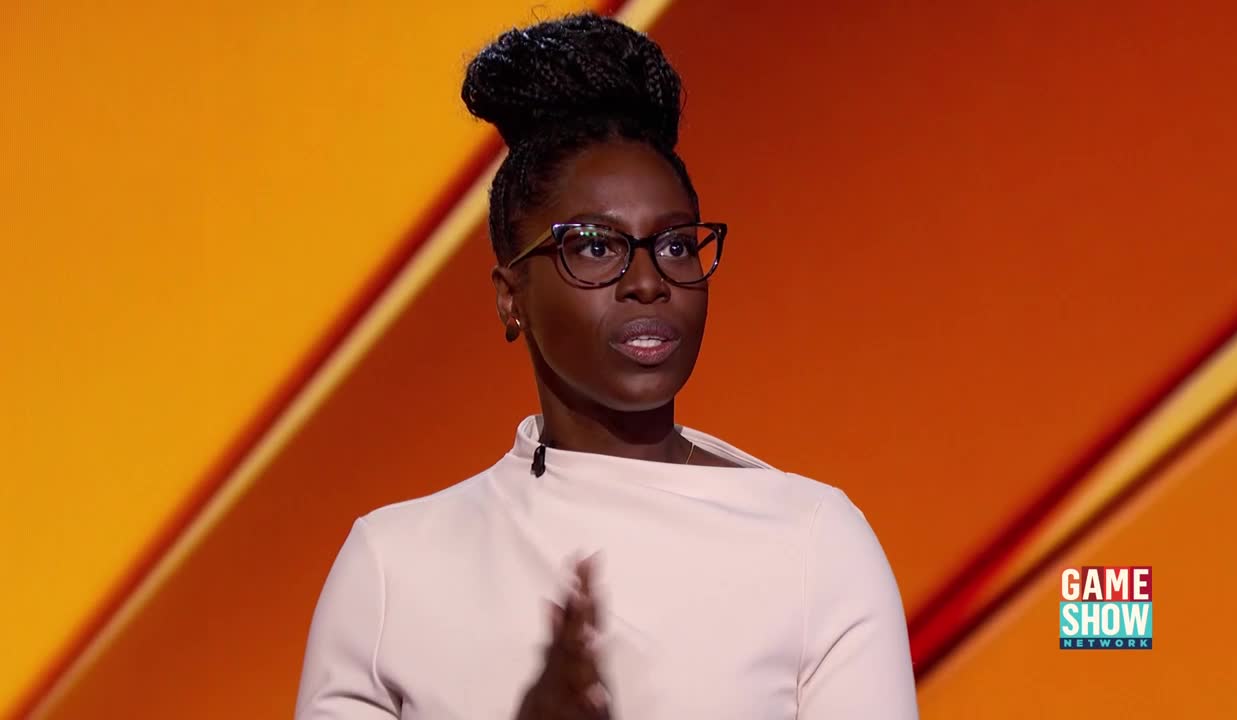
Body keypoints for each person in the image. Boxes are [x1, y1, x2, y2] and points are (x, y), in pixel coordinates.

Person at [295, 12, 917, 719]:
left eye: (676, 244)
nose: (647, 281)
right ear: (510, 298)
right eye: (595, 246)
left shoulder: (814, 543)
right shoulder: (394, 566)